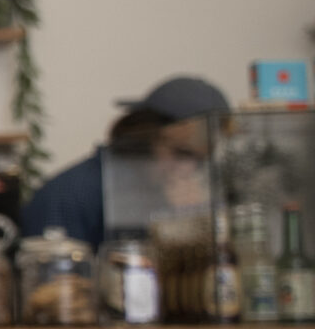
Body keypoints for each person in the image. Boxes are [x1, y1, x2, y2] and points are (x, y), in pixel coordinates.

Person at [20, 75, 227, 249]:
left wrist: (191, 221)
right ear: (144, 138)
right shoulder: (69, 195)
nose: (189, 170)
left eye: (201, 161)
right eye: (180, 154)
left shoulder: (178, 197)